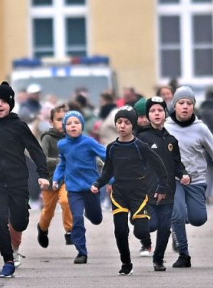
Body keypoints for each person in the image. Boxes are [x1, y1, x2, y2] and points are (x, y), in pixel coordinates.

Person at [0, 82, 51, 278]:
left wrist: (42, 174)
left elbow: (35, 150)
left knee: (19, 222)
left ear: (11, 104)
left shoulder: (19, 126)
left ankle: (17, 225)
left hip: (18, 181)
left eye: (3, 102)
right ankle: (8, 261)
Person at [92, 106, 167, 275]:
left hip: (138, 192)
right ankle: (126, 263)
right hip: (119, 192)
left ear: (133, 125)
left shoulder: (140, 146)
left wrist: (162, 186)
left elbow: (159, 166)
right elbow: (108, 171)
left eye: (126, 122)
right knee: (120, 231)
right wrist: (98, 183)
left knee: (140, 231)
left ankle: (145, 239)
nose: (122, 126)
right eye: (119, 122)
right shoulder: (111, 147)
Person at [164, 86, 213, 268]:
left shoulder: (200, 128)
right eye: (181, 103)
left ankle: (178, 221)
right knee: (177, 213)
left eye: (189, 103)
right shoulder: (165, 127)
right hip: (173, 179)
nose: (185, 107)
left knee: (198, 218)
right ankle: (184, 255)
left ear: (194, 106)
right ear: (174, 106)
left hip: (196, 179)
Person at [136, 96, 187, 270]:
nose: (156, 114)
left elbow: (177, 163)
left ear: (165, 114)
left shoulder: (171, 140)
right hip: (147, 190)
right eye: (152, 111)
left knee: (165, 228)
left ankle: (158, 259)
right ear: (148, 116)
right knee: (151, 225)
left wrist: (184, 174)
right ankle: (141, 232)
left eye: (160, 110)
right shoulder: (142, 138)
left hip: (168, 191)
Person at [53, 110, 108, 264]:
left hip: (91, 187)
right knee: (77, 218)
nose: (73, 126)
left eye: (76, 123)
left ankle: (91, 214)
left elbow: (106, 156)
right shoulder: (62, 145)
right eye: (69, 124)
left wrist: (111, 177)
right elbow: (62, 163)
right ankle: (81, 252)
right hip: (74, 189)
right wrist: (56, 178)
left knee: (96, 219)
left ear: (82, 126)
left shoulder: (89, 142)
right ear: (64, 128)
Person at [36, 104, 74, 249]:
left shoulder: (73, 138)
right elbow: (42, 158)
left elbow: (84, 153)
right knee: (48, 211)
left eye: (66, 120)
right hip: (50, 180)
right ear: (51, 122)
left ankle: (70, 231)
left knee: (66, 200)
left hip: (67, 178)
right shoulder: (47, 138)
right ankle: (42, 228)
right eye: (59, 119)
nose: (63, 123)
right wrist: (60, 161)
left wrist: (100, 161)